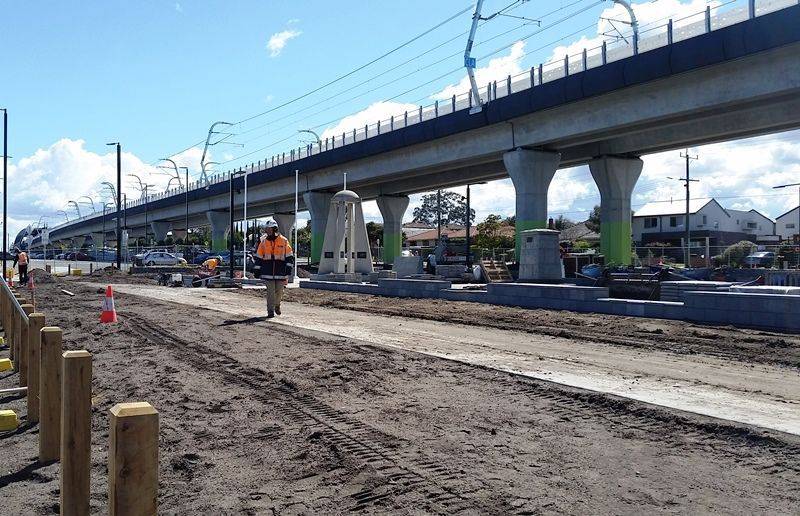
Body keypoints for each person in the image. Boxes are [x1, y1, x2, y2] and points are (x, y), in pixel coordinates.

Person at [256, 219, 294, 318]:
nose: (267, 231)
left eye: (269, 229)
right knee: (270, 293)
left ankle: (277, 305)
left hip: (280, 271)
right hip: (267, 271)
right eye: (266, 229)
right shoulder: (263, 242)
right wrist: (257, 269)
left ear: (275, 229)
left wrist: (289, 268)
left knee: (279, 292)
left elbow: (289, 256)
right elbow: (259, 256)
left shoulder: (284, 241)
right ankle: (270, 311)